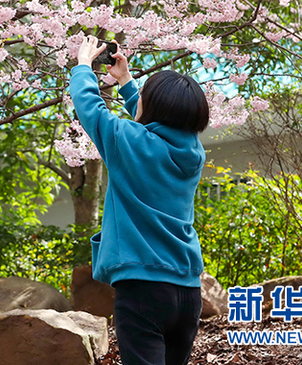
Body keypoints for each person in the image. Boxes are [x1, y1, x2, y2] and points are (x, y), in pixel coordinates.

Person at [69, 36, 210, 365]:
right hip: (188, 291)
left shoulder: (125, 143)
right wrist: (128, 83)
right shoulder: (192, 154)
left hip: (143, 289)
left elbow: (91, 110)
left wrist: (82, 67)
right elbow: (158, 126)